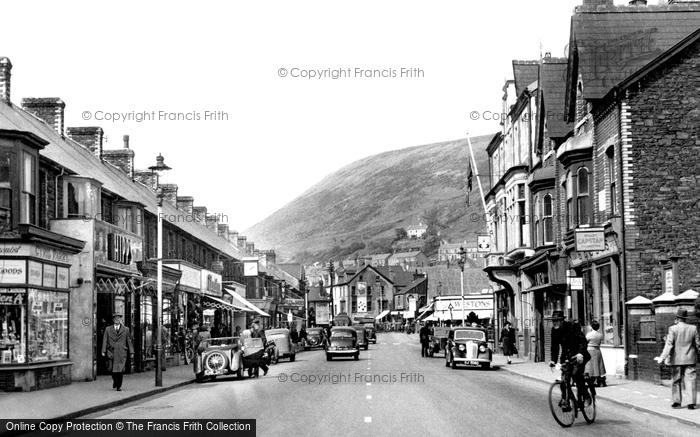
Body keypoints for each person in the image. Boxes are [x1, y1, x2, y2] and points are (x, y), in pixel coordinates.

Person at [654, 308, 700, 410]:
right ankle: (691, 403)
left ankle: (677, 402)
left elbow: (669, 345)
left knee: (676, 380)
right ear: (685, 318)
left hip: (676, 359)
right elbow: (698, 345)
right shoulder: (693, 328)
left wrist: (662, 357)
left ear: (677, 318)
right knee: (691, 380)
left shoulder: (673, 329)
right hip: (690, 359)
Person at [549, 311, 591, 412]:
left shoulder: (572, 326)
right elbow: (554, 346)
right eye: (553, 321)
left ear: (563, 320)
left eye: (557, 321)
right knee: (564, 379)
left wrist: (581, 353)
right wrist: (553, 360)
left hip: (579, 355)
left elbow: (583, 341)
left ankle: (586, 396)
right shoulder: (554, 331)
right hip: (567, 357)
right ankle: (566, 400)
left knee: (576, 374)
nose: (554, 323)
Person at [101, 313, 134, 391]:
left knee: (120, 369)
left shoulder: (126, 329)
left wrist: (131, 352)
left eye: (118, 318)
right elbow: (105, 340)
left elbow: (129, 341)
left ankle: (118, 385)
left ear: (120, 320)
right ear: (113, 320)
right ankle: (115, 381)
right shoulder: (108, 329)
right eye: (115, 318)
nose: (117, 319)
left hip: (121, 352)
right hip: (111, 351)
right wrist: (103, 350)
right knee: (111, 368)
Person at [585, 320, 607, 387]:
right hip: (597, 350)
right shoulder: (600, 335)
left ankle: (590, 379)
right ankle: (598, 380)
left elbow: (585, 341)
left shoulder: (589, 334)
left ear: (591, 327)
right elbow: (599, 343)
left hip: (589, 350)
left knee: (590, 365)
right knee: (597, 364)